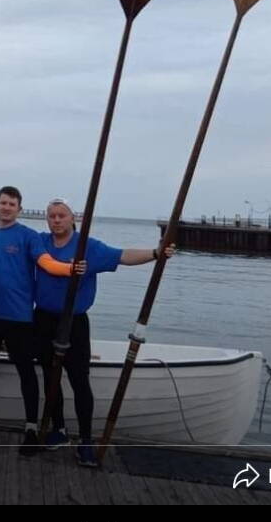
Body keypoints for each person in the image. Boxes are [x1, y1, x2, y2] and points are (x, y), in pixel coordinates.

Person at [32, 197, 175, 467]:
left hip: (74, 322)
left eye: (62, 215)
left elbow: (123, 256)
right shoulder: (40, 242)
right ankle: (59, 429)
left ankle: (86, 440)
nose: (57, 220)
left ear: (73, 218)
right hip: (44, 320)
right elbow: (14, 237)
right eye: (52, 216)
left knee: (79, 381)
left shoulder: (89, 246)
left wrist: (156, 253)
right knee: (50, 379)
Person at [0, 185, 46, 455]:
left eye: (11, 204)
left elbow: (46, 263)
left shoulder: (29, 236)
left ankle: (31, 428)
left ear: (19, 209)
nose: (6, 208)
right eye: (3, 203)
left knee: (26, 371)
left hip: (19, 317)